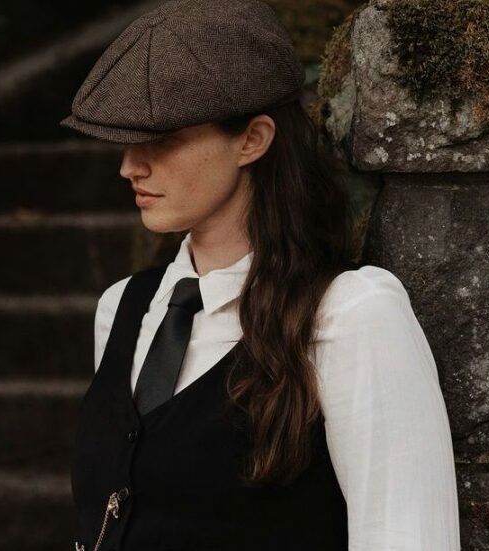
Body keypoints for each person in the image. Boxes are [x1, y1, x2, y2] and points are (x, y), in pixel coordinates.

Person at [59, 1, 460, 549]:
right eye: (126, 141)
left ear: (252, 140)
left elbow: (404, 537)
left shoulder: (350, 314)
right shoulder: (123, 308)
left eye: (163, 139)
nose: (130, 166)